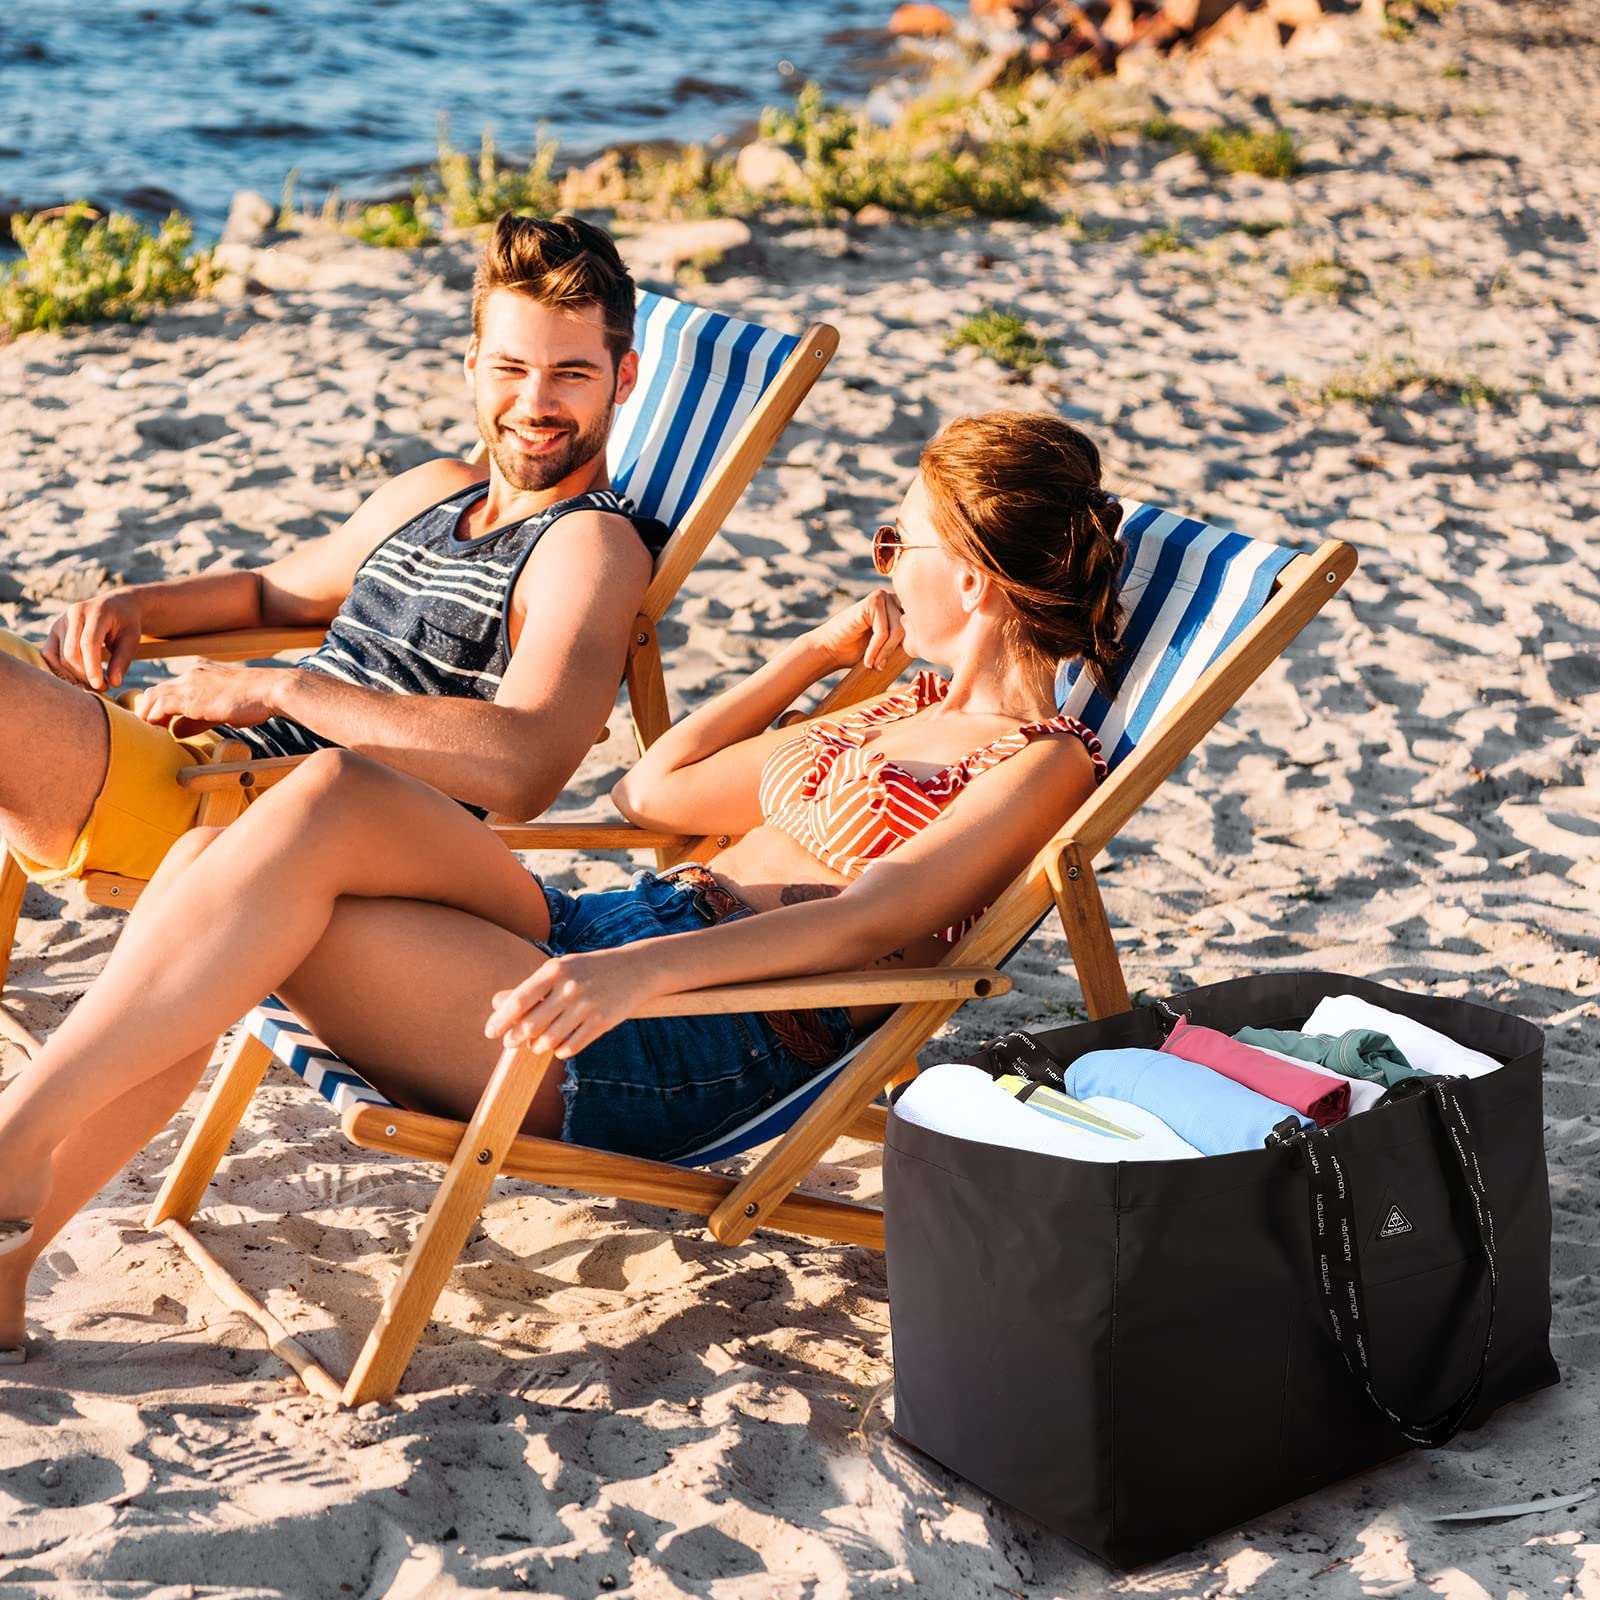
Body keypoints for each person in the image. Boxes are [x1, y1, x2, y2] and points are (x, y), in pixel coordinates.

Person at [0, 410, 1125, 1363]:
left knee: (227, 894)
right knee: (304, 806)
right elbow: (653, 790)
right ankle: (12, 1206)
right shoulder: (895, 703)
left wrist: (634, 976)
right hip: (614, 931)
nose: (880, 562)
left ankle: (11, 1164)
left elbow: (870, 918)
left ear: (970, 582)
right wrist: (814, 662)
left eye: (897, 543)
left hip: (684, 1031)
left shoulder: (1041, 758)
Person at [0, 213, 666, 905]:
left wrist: (279, 689)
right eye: (510, 368)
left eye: (571, 374)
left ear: (623, 379)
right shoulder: (437, 489)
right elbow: (266, 594)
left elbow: (527, 767)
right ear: (473, 366)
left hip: (242, 819)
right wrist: (131, 605)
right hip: (183, 753)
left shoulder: (588, 546)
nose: (535, 402)